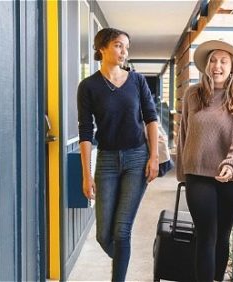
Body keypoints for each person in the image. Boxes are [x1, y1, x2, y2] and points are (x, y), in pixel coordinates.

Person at [77, 27, 159, 281]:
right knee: (104, 234)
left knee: (122, 231)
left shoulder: (137, 81)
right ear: (102, 48)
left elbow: (151, 118)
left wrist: (154, 156)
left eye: (126, 47)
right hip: (107, 161)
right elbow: (85, 131)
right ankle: (123, 258)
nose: (124, 51)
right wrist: (86, 175)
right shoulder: (88, 86)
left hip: (137, 158)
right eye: (118, 45)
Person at [176, 40, 233, 282]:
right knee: (206, 236)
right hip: (198, 175)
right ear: (206, 65)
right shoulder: (192, 95)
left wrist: (231, 164)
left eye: (223, 61)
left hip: (231, 178)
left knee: (222, 237)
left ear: (232, 67)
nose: (217, 66)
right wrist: (183, 171)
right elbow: (184, 134)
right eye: (213, 60)